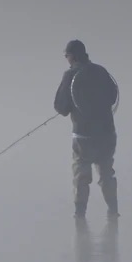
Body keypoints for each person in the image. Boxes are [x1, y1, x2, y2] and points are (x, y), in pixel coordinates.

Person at [53, 40, 120, 219]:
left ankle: (79, 214)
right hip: (107, 133)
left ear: (72, 56)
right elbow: (113, 97)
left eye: (66, 56)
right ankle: (113, 210)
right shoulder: (101, 71)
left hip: (83, 136)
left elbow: (61, 108)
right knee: (107, 173)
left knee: (81, 175)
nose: (66, 59)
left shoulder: (70, 75)